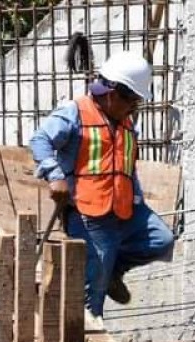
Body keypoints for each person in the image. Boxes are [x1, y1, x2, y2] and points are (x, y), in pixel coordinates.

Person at [30, 51, 175, 320]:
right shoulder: (74, 112)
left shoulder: (125, 120)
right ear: (113, 94)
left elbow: (125, 167)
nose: (135, 107)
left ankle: (113, 272)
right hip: (89, 215)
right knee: (91, 294)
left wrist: (136, 197)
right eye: (132, 100)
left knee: (162, 241)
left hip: (125, 209)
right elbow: (40, 140)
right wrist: (55, 176)